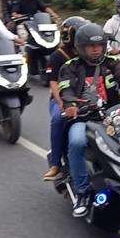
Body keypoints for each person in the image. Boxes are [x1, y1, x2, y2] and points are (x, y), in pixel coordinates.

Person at [59, 23, 120, 217]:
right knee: (76, 142)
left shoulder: (112, 63)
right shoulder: (70, 67)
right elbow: (66, 90)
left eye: (100, 46)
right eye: (90, 46)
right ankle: (83, 192)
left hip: (113, 114)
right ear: (80, 48)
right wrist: (71, 105)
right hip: (83, 117)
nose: (96, 50)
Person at [42, 16, 87, 181]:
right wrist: (61, 102)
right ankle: (55, 163)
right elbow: (53, 82)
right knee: (58, 119)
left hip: (86, 99)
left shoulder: (88, 52)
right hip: (61, 99)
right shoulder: (57, 55)